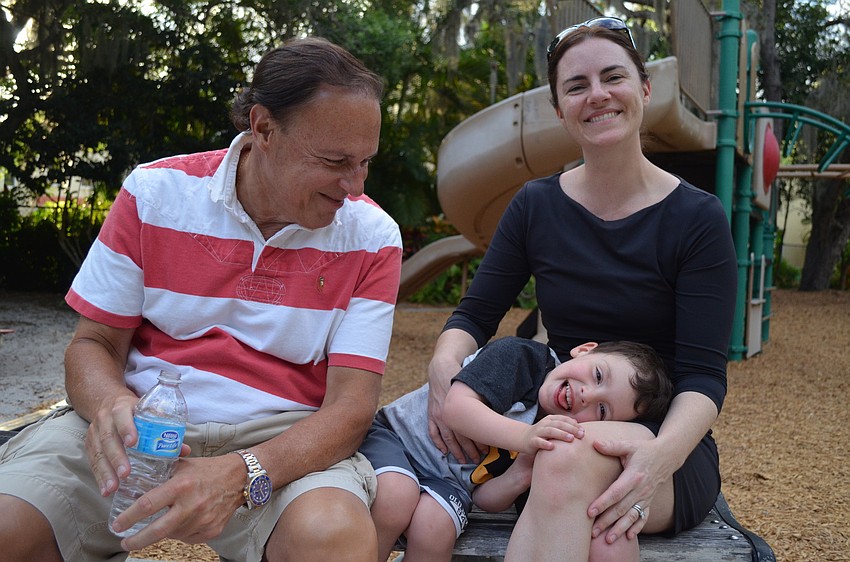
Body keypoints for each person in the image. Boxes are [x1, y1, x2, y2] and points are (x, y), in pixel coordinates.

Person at [0, 37, 402, 562]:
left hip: (282, 440)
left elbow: (350, 410)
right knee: (8, 527)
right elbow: (93, 343)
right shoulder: (155, 193)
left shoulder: (371, 236)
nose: (355, 185)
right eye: (335, 161)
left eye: (366, 162)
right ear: (263, 129)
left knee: (333, 542)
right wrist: (110, 405)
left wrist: (244, 472)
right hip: (137, 424)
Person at [426, 17, 738, 562]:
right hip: (560, 431)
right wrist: (443, 367)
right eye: (576, 86)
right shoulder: (535, 206)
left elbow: (704, 377)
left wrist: (657, 458)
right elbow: (474, 316)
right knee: (562, 460)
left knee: (563, 461)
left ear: (644, 89)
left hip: (666, 448)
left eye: (613, 77)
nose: (597, 96)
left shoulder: (698, 218)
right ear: (559, 108)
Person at [361, 335, 672, 562]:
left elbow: (484, 496)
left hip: (446, 482)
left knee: (434, 528)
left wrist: (521, 473)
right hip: (398, 438)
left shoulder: (550, 441)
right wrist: (525, 437)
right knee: (395, 496)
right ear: (584, 351)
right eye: (598, 375)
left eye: (602, 410)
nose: (586, 394)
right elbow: (455, 408)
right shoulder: (522, 357)